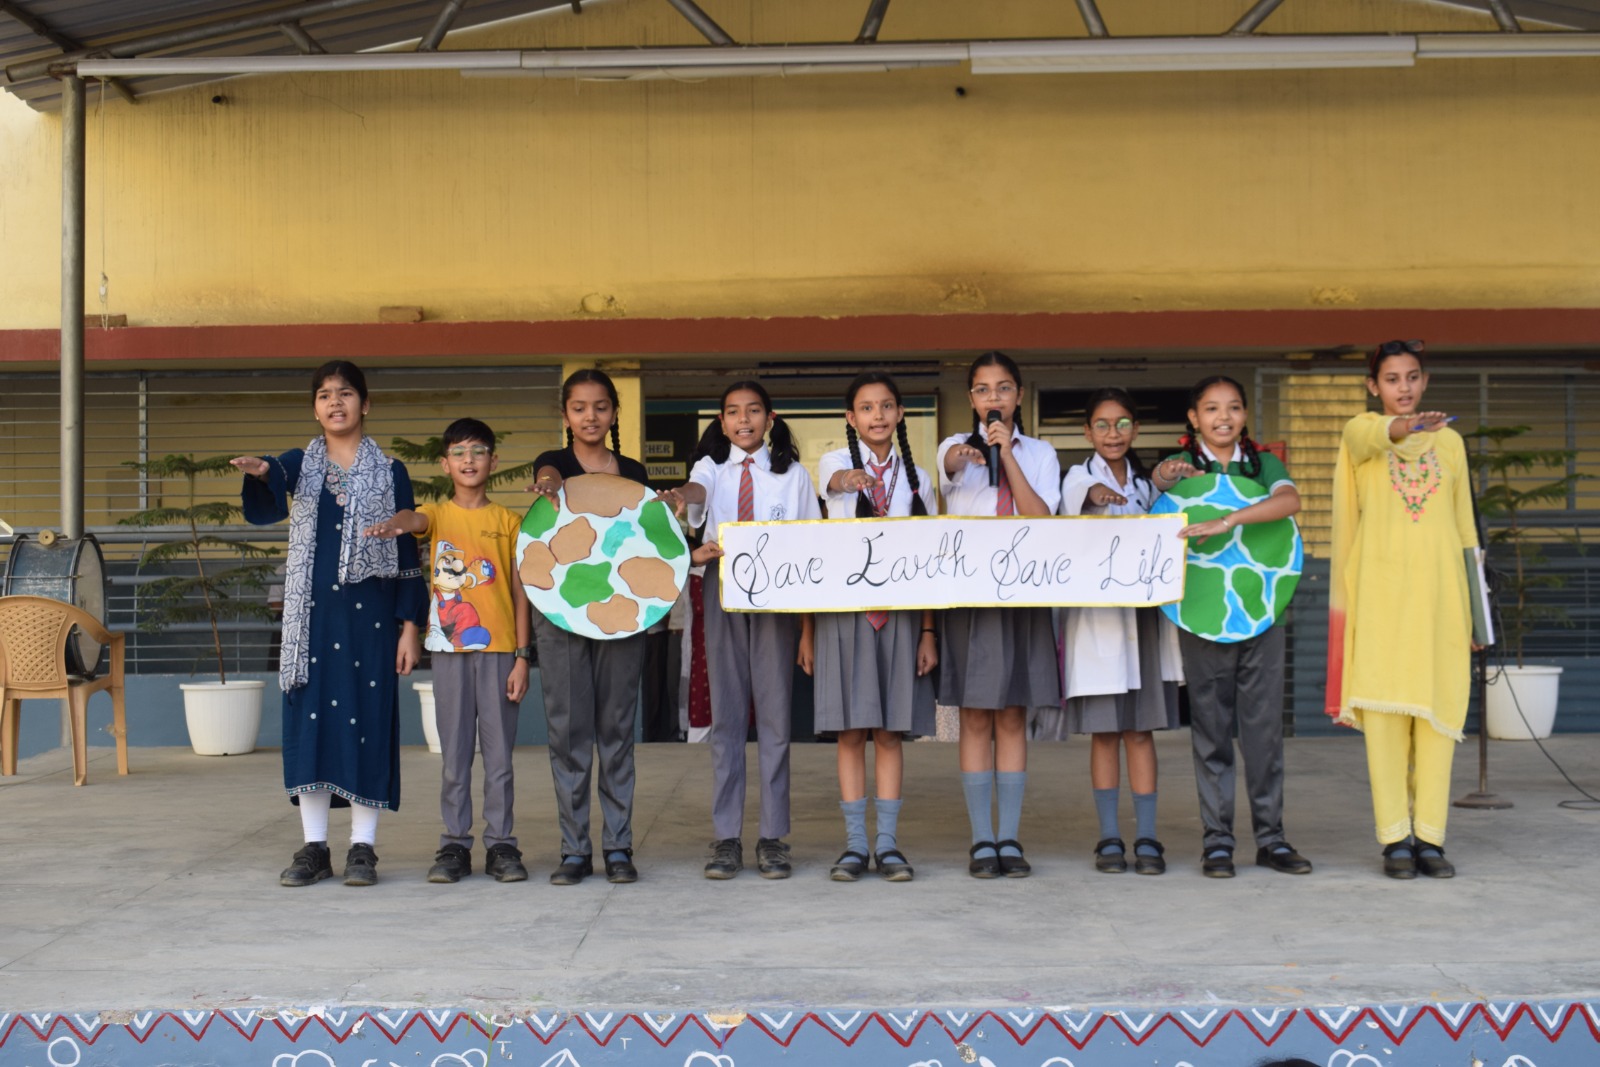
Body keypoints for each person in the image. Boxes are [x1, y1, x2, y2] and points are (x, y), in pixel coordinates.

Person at [233, 360, 427, 888]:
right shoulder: (301, 464)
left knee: (368, 720)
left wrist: (410, 627)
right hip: (311, 621)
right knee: (311, 722)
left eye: (345, 393)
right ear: (314, 409)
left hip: (372, 621)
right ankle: (314, 847)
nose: (335, 402)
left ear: (366, 404)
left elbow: (406, 552)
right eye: (324, 395)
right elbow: (274, 485)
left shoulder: (391, 471)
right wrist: (262, 473)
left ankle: (363, 848)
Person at [1327, 340, 1485, 879]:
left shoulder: (1452, 443)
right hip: (1381, 601)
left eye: (1412, 377)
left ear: (1425, 380)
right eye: (1392, 379)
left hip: (1441, 602)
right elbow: (1375, 435)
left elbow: (1465, 530)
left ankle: (1431, 839)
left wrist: (1477, 614)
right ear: (1373, 386)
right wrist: (1407, 427)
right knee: (1387, 724)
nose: (1404, 387)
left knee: (1438, 726)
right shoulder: (1362, 433)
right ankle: (1395, 839)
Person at [657, 381, 821, 879]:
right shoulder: (712, 467)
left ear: (770, 418)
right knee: (726, 718)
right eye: (733, 412)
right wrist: (679, 495)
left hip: (778, 596)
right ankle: (727, 836)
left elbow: (813, 549)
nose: (743, 420)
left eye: (753, 411)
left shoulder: (794, 476)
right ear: (722, 422)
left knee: (775, 719)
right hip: (722, 590)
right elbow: (698, 491)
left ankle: (772, 837)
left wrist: (808, 631)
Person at [1152, 375, 1311, 879]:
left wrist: (1227, 521)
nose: (1224, 417)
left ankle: (1272, 839)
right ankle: (1217, 841)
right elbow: (1157, 492)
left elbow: (1289, 502)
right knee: (1211, 730)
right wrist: (1164, 475)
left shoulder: (1262, 464)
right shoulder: (1181, 467)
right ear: (1193, 418)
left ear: (1244, 415)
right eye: (1211, 408)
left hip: (1262, 611)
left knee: (1264, 731)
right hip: (1202, 614)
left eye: (1234, 407)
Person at [362, 417, 532, 885]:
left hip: (501, 653)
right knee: (454, 755)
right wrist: (396, 524)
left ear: (493, 461)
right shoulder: (435, 515)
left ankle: (501, 844)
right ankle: (455, 844)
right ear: (445, 464)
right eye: (459, 452)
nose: (469, 460)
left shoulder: (510, 522)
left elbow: (521, 595)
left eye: (478, 451)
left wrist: (523, 656)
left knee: (499, 759)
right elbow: (413, 520)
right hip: (448, 650)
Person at [525, 369, 654, 886]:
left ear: (614, 412)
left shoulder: (634, 472)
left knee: (617, 731)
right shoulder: (553, 464)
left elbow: (647, 541)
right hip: (560, 615)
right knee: (569, 731)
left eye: (600, 406)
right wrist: (548, 485)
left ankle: (618, 847)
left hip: (623, 613)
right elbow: (549, 477)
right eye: (579, 407)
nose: (590, 416)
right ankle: (574, 850)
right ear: (565, 415)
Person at [809, 372, 938, 883]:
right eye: (866, 407)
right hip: (845, 615)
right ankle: (854, 845)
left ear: (900, 413)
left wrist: (928, 631)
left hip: (901, 615)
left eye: (886, 406)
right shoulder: (832, 463)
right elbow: (836, 483)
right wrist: (854, 480)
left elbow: (930, 560)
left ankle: (887, 843)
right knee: (849, 732)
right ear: (851, 418)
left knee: (888, 732)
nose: (877, 415)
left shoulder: (918, 477)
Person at [937, 351, 1061, 878]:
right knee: (975, 714)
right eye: (984, 390)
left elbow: (1041, 517)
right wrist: (970, 455)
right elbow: (947, 469)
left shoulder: (1041, 453)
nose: (994, 398)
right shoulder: (954, 448)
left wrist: (1007, 454)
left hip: (1023, 593)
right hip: (971, 596)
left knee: (1011, 714)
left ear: (1019, 396)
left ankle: (1009, 838)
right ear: (971, 398)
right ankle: (981, 840)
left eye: (1004, 388)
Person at [1058, 388, 1182, 876]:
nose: (1114, 433)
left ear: (1136, 429)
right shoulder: (1076, 477)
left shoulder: (1148, 487)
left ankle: (1147, 836)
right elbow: (1079, 499)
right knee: (1106, 734)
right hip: (1100, 623)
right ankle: (1110, 836)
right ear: (1087, 432)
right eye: (1103, 425)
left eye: (1123, 424)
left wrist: (1165, 481)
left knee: (1141, 732)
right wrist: (1098, 496)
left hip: (1143, 622)